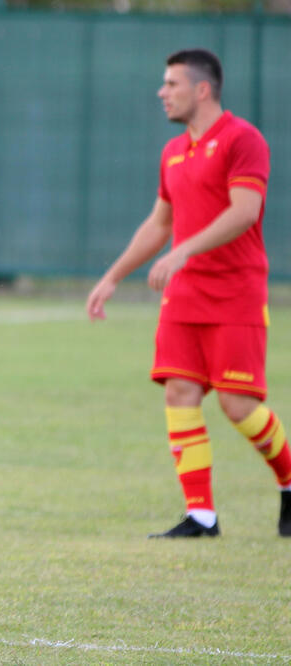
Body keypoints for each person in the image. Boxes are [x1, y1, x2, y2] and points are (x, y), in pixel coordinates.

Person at [87, 48, 291, 539]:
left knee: (239, 406)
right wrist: (113, 276)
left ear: (202, 89)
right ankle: (201, 515)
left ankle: (289, 482)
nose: (162, 92)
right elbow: (159, 225)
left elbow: (245, 211)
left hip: (236, 291)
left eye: (171, 84)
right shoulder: (173, 152)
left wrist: (184, 252)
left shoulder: (244, 140)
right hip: (185, 296)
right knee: (179, 390)